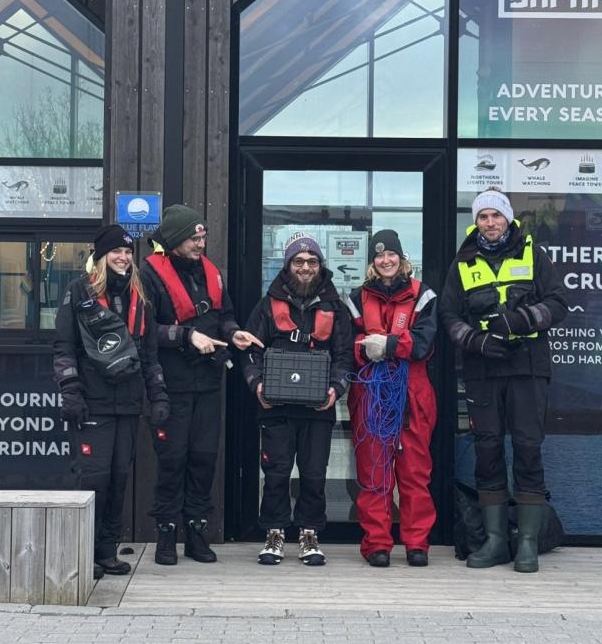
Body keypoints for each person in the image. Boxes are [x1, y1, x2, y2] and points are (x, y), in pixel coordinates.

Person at [440, 188, 567, 573]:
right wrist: (475, 341)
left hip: (528, 368)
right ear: (475, 222)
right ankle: (496, 541)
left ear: (508, 219)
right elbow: (449, 316)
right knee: (487, 451)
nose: (490, 223)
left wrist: (521, 320)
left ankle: (527, 542)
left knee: (528, 449)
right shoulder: (462, 263)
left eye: (496, 216)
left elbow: (559, 303)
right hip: (483, 370)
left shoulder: (534, 254)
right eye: (483, 217)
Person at [141, 204, 261, 565]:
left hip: (208, 383)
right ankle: (166, 534)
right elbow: (144, 329)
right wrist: (186, 336)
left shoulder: (212, 273)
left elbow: (223, 315)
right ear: (175, 240)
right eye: (194, 238)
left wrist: (232, 333)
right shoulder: (148, 276)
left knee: (203, 460)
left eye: (203, 236)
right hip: (170, 385)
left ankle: (196, 532)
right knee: (172, 459)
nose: (200, 243)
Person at [53, 225, 169, 578]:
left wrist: (158, 396)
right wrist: (70, 392)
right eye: (115, 252)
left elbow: (150, 355)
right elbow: (63, 348)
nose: (123, 258)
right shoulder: (78, 292)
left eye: (127, 252)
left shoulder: (141, 296)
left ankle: (106, 551)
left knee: (119, 479)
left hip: (128, 405)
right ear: (100, 256)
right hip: (92, 405)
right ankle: (81, 553)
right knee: (93, 480)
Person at [241, 232, 354, 566]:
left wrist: (336, 390)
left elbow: (345, 358)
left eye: (312, 261)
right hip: (275, 406)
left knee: (314, 474)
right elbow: (249, 352)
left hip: (318, 408)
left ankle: (309, 534)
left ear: (320, 266)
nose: (306, 267)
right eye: (299, 261)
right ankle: (274, 533)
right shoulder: (266, 306)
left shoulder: (336, 308)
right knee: (275, 473)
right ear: (288, 265)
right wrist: (256, 385)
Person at [346, 229, 438, 568]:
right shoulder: (356, 298)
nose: (386, 260)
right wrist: (370, 350)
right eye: (379, 256)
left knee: (415, 474)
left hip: (412, 395)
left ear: (401, 257)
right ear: (372, 261)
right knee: (374, 475)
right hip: (371, 393)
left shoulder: (423, 295)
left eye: (391, 255)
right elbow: (349, 346)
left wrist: (386, 346)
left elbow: (425, 343)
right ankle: (377, 545)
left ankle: (417, 544)